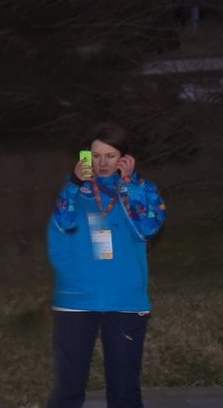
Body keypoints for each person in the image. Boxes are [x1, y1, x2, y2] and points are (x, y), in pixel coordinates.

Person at [46, 123, 166, 408]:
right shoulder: (73, 189)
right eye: (96, 155)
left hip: (124, 300)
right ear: (85, 156)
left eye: (110, 156)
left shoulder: (142, 190)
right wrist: (75, 185)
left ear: (124, 158)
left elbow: (149, 226)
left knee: (124, 387)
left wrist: (129, 186)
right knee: (67, 387)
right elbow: (63, 222)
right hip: (76, 302)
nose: (102, 163)